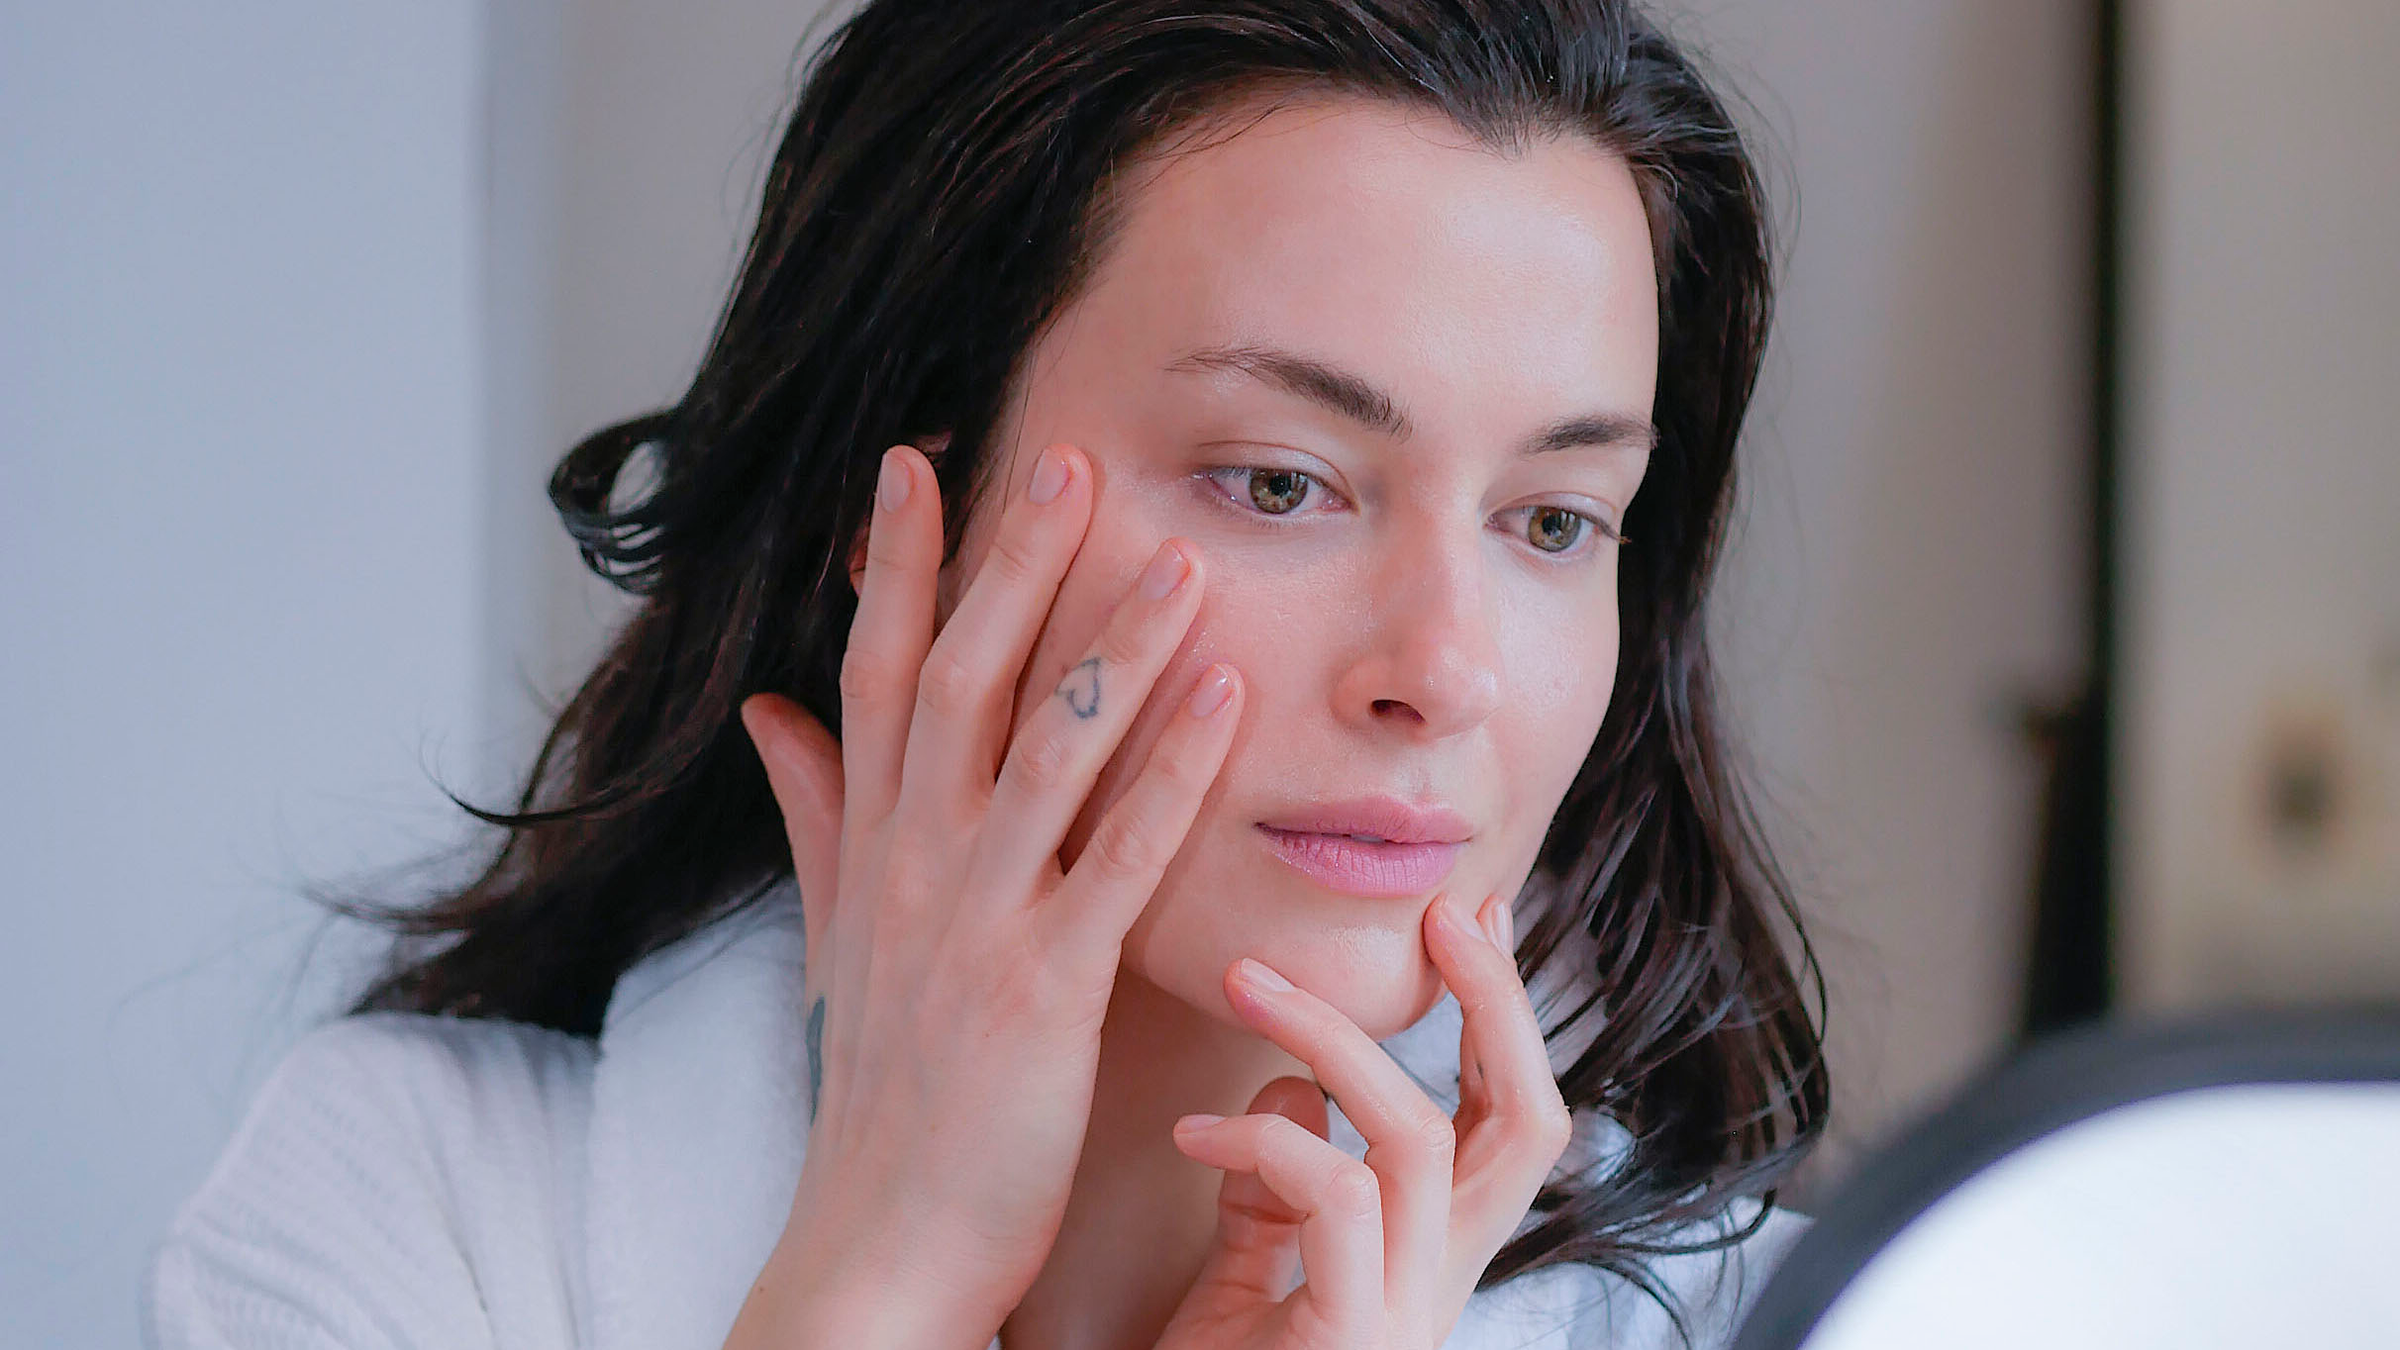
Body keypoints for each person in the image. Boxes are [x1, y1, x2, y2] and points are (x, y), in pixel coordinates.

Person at [145, 2, 1829, 1348]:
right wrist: (874, 1286)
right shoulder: (402, 1208)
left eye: (1553, 518)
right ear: (905, 519)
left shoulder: (1833, 1316)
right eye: (1278, 482)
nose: (1445, 670)